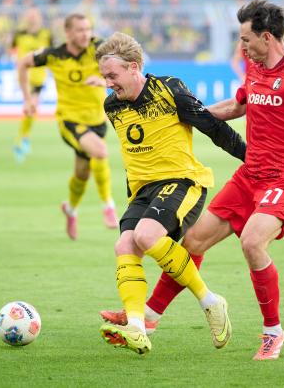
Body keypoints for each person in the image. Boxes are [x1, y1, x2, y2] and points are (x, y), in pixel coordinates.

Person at [101, 0, 284, 360]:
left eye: (245, 39)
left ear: (266, 36)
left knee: (253, 242)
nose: (242, 46)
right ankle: (149, 316)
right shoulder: (254, 71)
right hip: (250, 174)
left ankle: (273, 331)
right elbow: (238, 106)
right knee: (192, 241)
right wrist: (187, 115)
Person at [95, 32, 247, 355]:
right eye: (105, 77)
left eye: (113, 75)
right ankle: (136, 327)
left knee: (147, 236)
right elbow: (132, 154)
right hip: (142, 191)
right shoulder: (113, 106)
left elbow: (213, 128)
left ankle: (210, 301)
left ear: (134, 67)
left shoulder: (169, 89)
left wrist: (252, 158)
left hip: (182, 181)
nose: (108, 84)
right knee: (124, 243)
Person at [16, 13, 118, 240]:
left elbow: (124, 67)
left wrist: (104, 82)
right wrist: (27, 99)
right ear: (68, 32)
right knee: (100, 152)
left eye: (88, 29)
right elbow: (22, 63)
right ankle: (108, 206)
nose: (86, 34)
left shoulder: (99, 48)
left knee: (82, 173)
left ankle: (70, 210)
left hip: (98, 120)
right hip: (70, 120)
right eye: (80, 30)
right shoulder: (54, 55)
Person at [12, 7, 53, 163]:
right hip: (25, 77)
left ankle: (23, 138)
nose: (32, 18)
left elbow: (51, 52)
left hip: (39, 76)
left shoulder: (46, 34)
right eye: (30, 15)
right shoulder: (20, 34)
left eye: (35, 15)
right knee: (30, 106)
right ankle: (21, 140)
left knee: (31, 108)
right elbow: (12, 48)